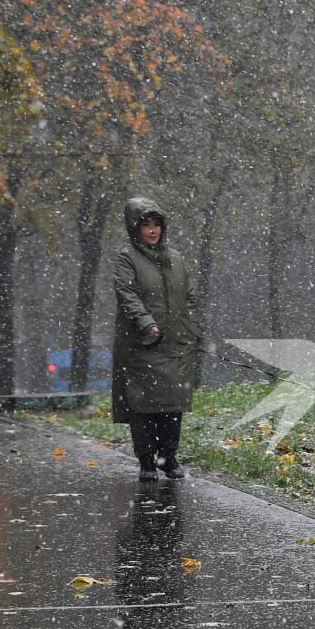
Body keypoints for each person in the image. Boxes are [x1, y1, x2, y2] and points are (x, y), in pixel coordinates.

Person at [112, 196, 201, 481]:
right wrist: (147, 325)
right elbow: (128, 295)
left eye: (156, 225)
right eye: (146, 225)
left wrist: (190, 328)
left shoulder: (175, 259)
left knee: (173, 406)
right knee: (144, 408)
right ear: (135, 228)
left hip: (175, 347)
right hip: (142, 347)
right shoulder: (127, 259)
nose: (152, 231)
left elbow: (188, 296)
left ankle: (168, 457)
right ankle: (147, 462)